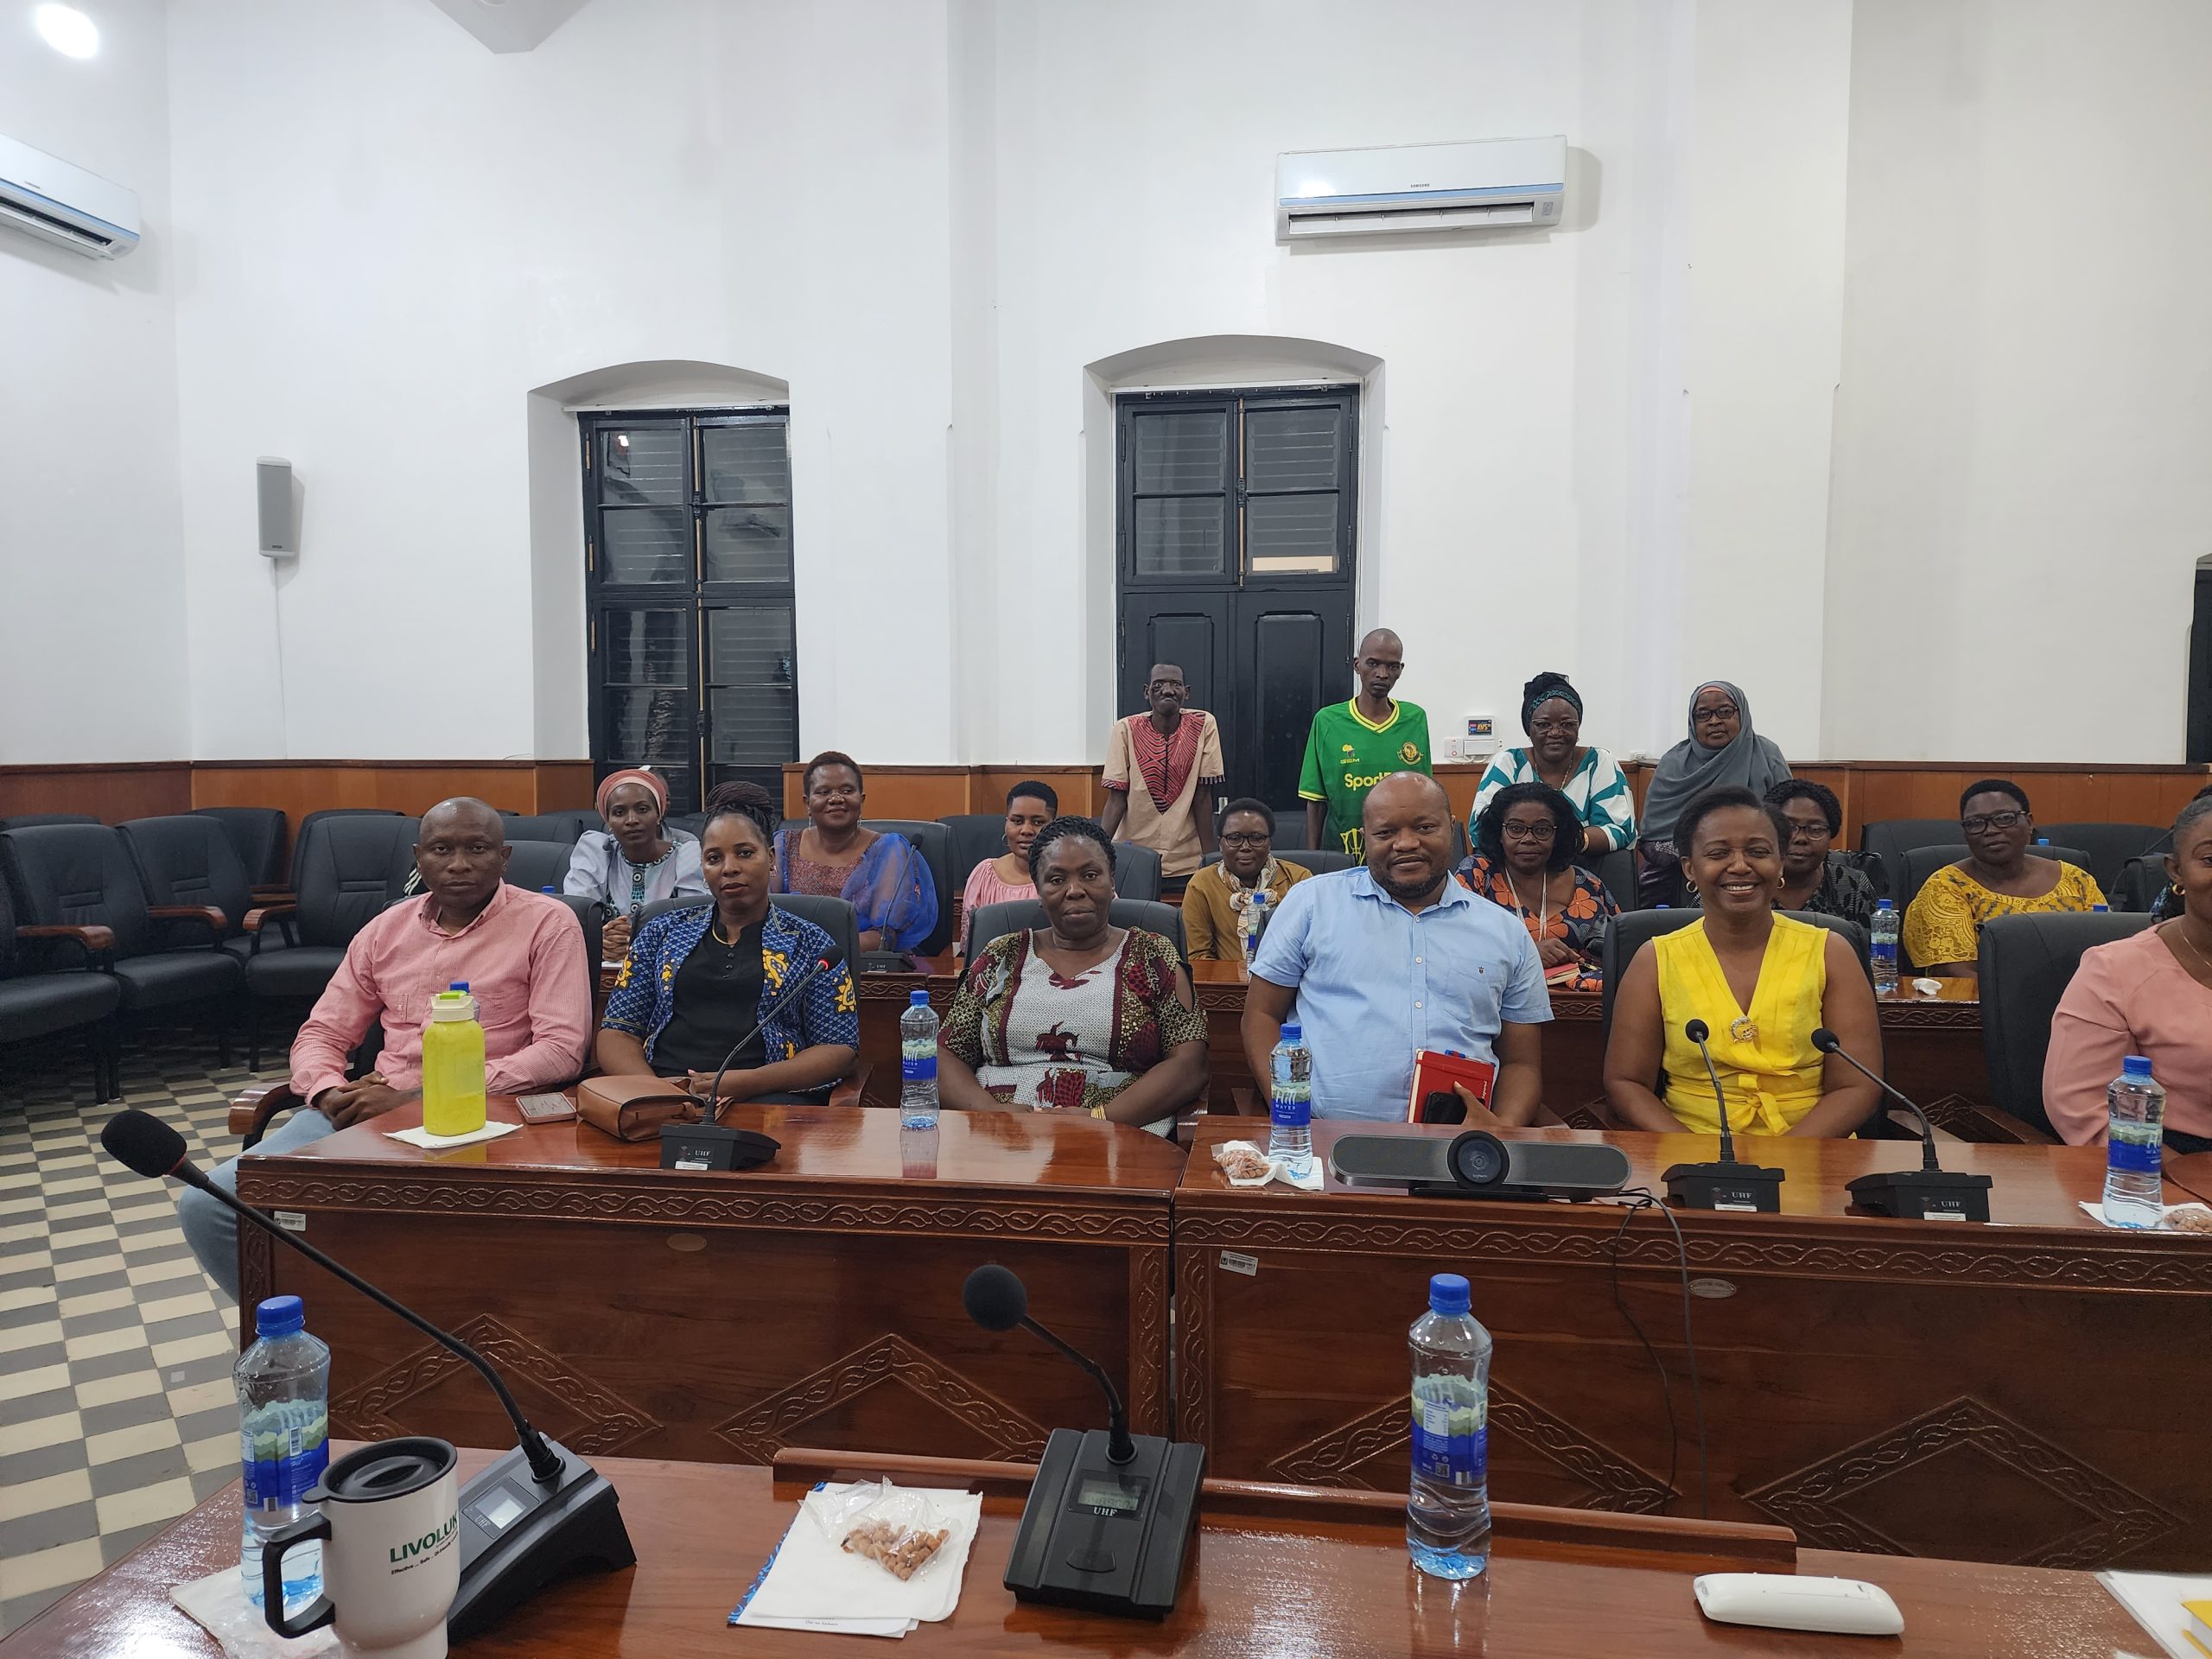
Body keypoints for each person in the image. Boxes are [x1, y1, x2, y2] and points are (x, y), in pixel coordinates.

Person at [180, 799, 592, 1300]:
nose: (459, 864)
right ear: (419, 858)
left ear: (504, 858)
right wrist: (329, 1092)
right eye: (442, 849)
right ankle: (309, 1332)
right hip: (365, 1115)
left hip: (489, 1118)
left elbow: (560, 1050)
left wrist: (419, 1099)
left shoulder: (548, 923)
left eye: (478, 849)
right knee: (209, 1205)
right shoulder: (385, 929)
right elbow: (322, 1033)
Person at [1245, 773, 1549, 1123]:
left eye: (1424, 827)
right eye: (1385, 833)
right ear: (1365, 838)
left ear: (1452, 829)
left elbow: (1521, 1063)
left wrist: (1499, 1133)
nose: (1405, 844)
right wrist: (1290, 1112)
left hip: (1459, 1146)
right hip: (1325, 1140)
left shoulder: (1506, 932)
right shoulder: (1312, 904)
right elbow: (1260, 1015)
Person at [1604, 788, 1883, 1138]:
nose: (1739, 866)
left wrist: (1788, 1157)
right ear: (1690, 868)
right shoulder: (1655, 959)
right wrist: (1694, 1156)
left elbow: (1857, 1086)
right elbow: (1626, 1082)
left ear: (1779, 863)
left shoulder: (1831, 952)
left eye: (1758, 852)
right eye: (1718, 853)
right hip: (1687, 1148)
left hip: (1815, 1148)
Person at [938, 817, 1208, 1134]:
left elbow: (1190, 1064)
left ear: (1112, 881)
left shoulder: (1152, 955)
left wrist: (1099, 1118)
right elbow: (946, 1054)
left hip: (1121, 1133)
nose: (1075, 890)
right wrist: (992, 1114)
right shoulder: (1000, 955)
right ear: (1039, 891)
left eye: (1090, 875)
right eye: (1056, 879)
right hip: (1000, 1136)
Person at [597, 786, 860, 1103]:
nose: (729, 868)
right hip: (664, 1094)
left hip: (769, 1097)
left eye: (745, 853)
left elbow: (839, 1048)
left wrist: (746, 1083)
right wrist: (657, 1095)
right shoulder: (662, 932)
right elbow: (617, 1031)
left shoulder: (811, 942)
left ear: (771, 858)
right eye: (714, 858)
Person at [2045, 793, 2212, 1152]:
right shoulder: (2115, 971)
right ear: (2176, 871)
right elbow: (2085, 1109)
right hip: (2167, 1164)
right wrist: (2171, 1174)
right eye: (2210, 859)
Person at [1903, 780, 2106, 975]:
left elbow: (2108, 953)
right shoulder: (1946, 887)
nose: (1991, 831)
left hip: (2081, 995)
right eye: (1975, 823)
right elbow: (1955, 973)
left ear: (2029, 823)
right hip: (1982, 999)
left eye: (2004, 818)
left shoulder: (2076, 880)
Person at [1637, 681, 1791, 907]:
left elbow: (1786, 821)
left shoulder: (1767, 755)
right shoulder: (1674, 763)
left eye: (1725, 712)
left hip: (1756, 863)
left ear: (1742, 714)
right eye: (1703, 715)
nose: (1715, 721)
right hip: (1681, 868)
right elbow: (1653, 835)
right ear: (1692, 721)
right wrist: (1703, 857)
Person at [1458, 783, 1618, 992]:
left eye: (1542, 830)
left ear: (1557, 836)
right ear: (1499, 833)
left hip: (1582, 1002)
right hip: (1498, 999)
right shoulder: (1477, 874)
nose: (1528, 839)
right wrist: (1527, 954)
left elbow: (1620, 951)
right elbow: (1454, 944)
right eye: (1516, 829)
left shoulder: (1589, 885)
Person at [772, 751, 938, 953]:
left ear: (861, 799)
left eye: (847, 790)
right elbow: (768, 919)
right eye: (823, 792)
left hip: (864, 961)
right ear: (807, 803)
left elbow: (884, 935)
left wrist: (820, 951)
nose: (836, 799)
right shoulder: (784, 846)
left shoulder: (889, 850)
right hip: (789, 960)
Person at [1469, 671, 1637, 858]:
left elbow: (1620, 829)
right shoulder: (1508, 763)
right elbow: (1481, 829)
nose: (1556, 732)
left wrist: (1559, 842)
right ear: (1529, 729)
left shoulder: (1598, 762)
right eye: (1543, 725)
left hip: (1583, 868)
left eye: (1567, 724)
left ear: (1578, 727)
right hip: (1514, 869)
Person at [1298, 628, 1432, 858]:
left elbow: (1426, 794)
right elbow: (1316, 800)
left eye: (1392, 666)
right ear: (1357, 665)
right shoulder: (1327, 721)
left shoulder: (1415, 719)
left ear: (1400, 670)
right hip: (1343, 852)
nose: (1382, 674)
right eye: (1373, 663)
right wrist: (1313, 860)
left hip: (1402, 850)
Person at [1686, 779, 1876, 929]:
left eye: (1816, 829)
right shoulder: (1730, 886)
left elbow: (1875, 953)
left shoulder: (1853, 886)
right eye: (1789, 827)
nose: (1800, 838)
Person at [564, 767, 707, 959]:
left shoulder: (688, 856)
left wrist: (637, 942)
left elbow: (695, 924)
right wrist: (600, 940)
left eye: (642, 810)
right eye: (619, 812)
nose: (631, 820)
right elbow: (577, 917)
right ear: (608, 821)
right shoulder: (596, 852)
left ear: (659, 814)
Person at [1100, 664, 1225, 880]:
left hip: (1187, 860)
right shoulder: (1125, 729)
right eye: (1158, 685)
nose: (1167, 691)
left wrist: (1211, 863)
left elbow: (1202, 797)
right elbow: (1116, 799)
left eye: (1175, 684)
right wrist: (1098, 854)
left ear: (1186, 692)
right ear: (1146, 692)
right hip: (1133, 857)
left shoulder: (1204, 724)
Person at [1180, 798, 1313, 962]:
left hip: (1288, 975)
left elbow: (1312, 946)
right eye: (1234, 838)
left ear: (1269, 843)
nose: (1245, 847)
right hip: (1226, 977)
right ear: (1220, 844)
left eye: (1256, 838)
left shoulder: (1300, 880)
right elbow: (1198, 956)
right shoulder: (1202, 885)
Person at [959, 779, 1058, 920]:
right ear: (1007, 822)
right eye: (1017, 821)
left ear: (1053, 825)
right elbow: (970, 933)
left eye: (1038, 822)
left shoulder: (1066, 877)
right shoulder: (984, 875)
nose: (1026, 830)